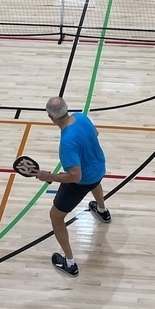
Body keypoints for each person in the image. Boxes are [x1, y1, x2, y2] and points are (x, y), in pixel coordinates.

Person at [36, 96, 110, 277]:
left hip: (82, 181)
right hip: (99, 168)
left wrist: (49, 176)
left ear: (50, 117)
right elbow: (96, 133)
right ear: (67, 109)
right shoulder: (82, 117)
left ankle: (69, 263)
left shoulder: (67, 142)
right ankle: (102, 210)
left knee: (56, 216)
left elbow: (75, 176)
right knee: (95, 182)